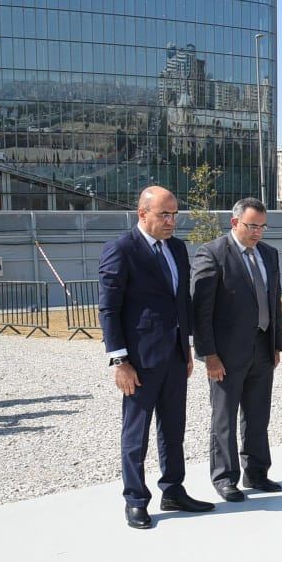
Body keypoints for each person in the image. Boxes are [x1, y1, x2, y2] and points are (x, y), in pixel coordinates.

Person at [98, 186, 213, 529]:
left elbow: (181, 302)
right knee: (136, 434)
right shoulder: (121, 250)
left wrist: (187, 348)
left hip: (175, 357)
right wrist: (120, 361)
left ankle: (173, 490)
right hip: (139, 361)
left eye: (175, 214)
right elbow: (108, 309)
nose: (171, 221)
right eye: (164, 214)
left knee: (173, 428)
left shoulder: (176, 248)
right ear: (142, 214)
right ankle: (135, 499)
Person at [190, 198, 282, 502]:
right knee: (225, 418)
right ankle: (224, 477)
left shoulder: (269, 255)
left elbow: (275, 302)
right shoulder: (213, 253)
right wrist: (209, 355)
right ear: (235, 223)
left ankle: (256, 472)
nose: (258, 232)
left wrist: (276, 344)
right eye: (252, 225)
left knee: (258, 416)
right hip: (226, 355)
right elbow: (201, 311)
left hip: (262, 347)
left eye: (262, 226)